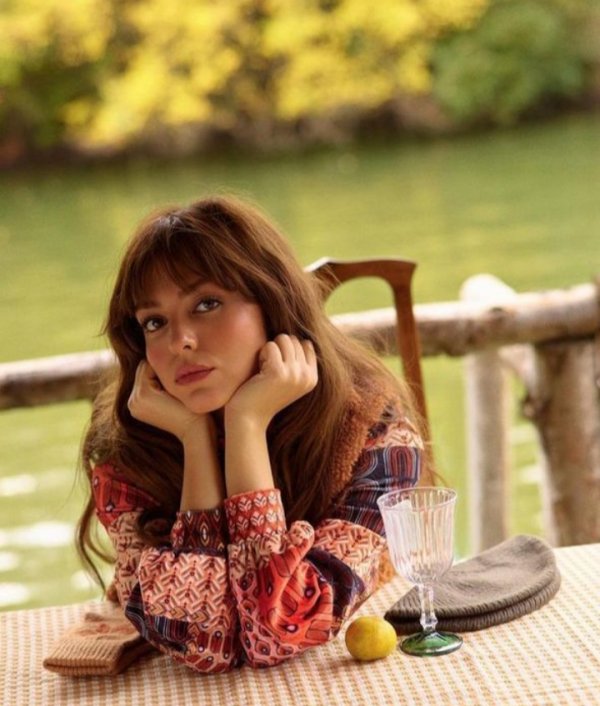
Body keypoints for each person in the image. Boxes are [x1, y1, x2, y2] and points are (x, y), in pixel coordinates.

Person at [76, 194, 423, 674]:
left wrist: (246, 423)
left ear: (273, 305)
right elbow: (201, 643)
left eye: (207, 304)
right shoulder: (127, 453)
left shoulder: (373, 432)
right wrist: (196, 441)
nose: (180, 341)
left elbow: (276, 632)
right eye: (154, 322)